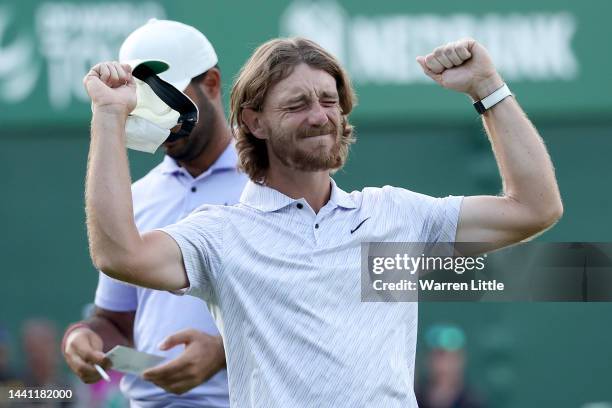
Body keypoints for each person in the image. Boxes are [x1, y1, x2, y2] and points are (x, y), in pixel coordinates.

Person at [82, 37, 563, 407]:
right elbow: (119, 254)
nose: (320, 116)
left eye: (329, 101)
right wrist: (108, 114)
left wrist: (487, 88)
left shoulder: (395, 214)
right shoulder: (221, 235)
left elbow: (534, 208)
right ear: (254, 121)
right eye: (297, 104)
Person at [62, 19, 247, 407]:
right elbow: (116, 320)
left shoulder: (269, 184)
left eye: (170, 96)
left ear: (211, 84)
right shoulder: (137, 196)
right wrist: (84, 337)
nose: (159, 115)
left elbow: (313, 308)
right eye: (146, 100)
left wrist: (224, 351)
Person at [416, 324, 485, 408]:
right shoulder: (414, 397)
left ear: (461, 359)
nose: (444, 364)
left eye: (451, 357)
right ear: (427, 359)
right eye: (438, 356)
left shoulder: (473, 402)